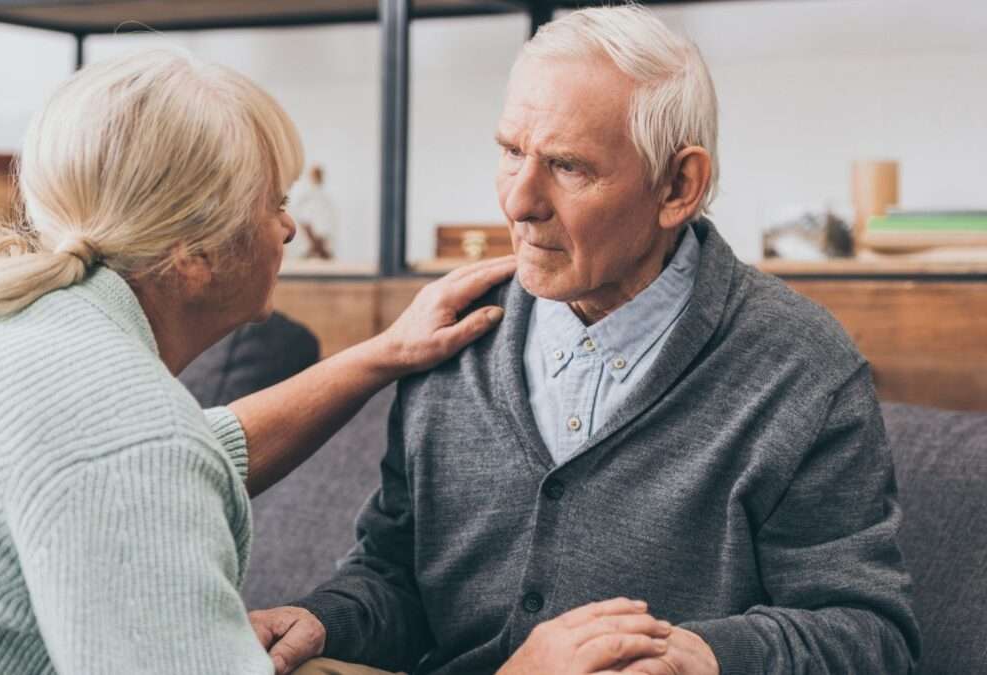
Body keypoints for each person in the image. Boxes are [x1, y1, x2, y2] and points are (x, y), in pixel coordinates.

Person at [0, 50, 515, 673]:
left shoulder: (6, 333)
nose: (290, 227)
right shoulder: (124, 433)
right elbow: (139, 457)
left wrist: (382, 353)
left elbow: (185, 448)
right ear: (195, 252)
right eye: (273, 202)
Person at [252, 6, 920, 675]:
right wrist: (324, 618)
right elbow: (394, 574)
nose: (519, 201)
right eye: (511, 151)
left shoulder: (801, 366)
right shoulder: (450, 333)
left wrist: (708, 656)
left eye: (568, 167)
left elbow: (869, 636)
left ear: (678, 186)